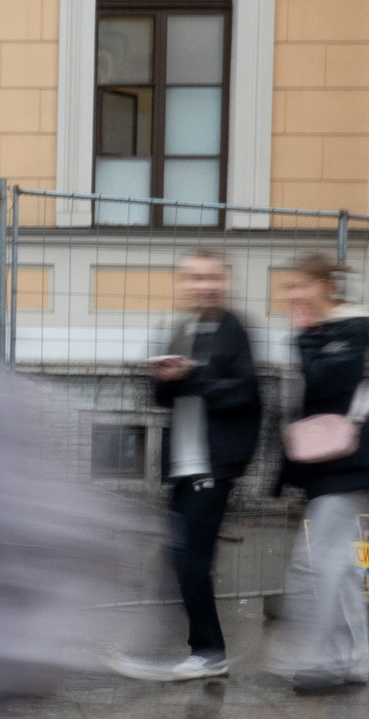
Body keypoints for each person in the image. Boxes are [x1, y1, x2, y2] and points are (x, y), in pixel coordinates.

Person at [112, 249, 262, 683]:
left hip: (213, 466)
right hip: (183, 465)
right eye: (195, 278)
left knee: (190, 559)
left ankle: (208, 651)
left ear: (224, 281)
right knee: (177, 557)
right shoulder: (180, 328)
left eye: (211, 278)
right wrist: (163, 379)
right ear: (183, 284)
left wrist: (192, 375)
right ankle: (171, 646)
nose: (203, 286)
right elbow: (165, 399)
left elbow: (244, 394)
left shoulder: (234, 329)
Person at [267, 251, 369, 694]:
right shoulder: (322, 333)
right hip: (327, 464)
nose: (293, 295)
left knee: (319, 563)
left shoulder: (351, 328)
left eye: (301, 285)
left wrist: (307, 334)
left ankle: (324, 660)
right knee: (342, 566)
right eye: (289, 287)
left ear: (325, 286)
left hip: (346, 464)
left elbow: (327, 382)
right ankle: (352, 660)